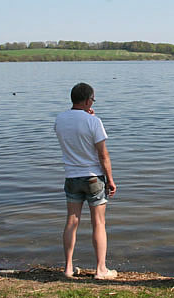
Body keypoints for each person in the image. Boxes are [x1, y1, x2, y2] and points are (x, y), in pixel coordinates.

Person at [54, 82, 117, 280]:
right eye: (92, 99)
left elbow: (74, 136)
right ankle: (101, 270)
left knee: (71, 221)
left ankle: (68, 268)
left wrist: (86, 117)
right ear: (88, 99)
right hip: (93, 178)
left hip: (71, 176)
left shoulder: (60, 119)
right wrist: (110, 180)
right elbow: (103, 155)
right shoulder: (94, 121)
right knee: (98, 222)